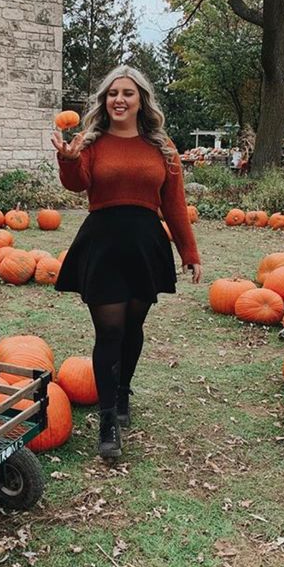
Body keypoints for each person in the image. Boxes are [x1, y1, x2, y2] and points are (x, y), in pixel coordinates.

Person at [50, 65, 202, 461]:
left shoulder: (162, 146)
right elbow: (78, 182)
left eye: (127, 93)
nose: (119, 99)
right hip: (103, 243)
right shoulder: (90, 141)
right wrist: (67, 159)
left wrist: (190, 252)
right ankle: (107, 420)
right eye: (112, 93)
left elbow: (174, 204)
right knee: (109, 332)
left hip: (144, 244)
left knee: (133, 326)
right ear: (104, 100)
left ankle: (121, 394)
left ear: (141, 100)